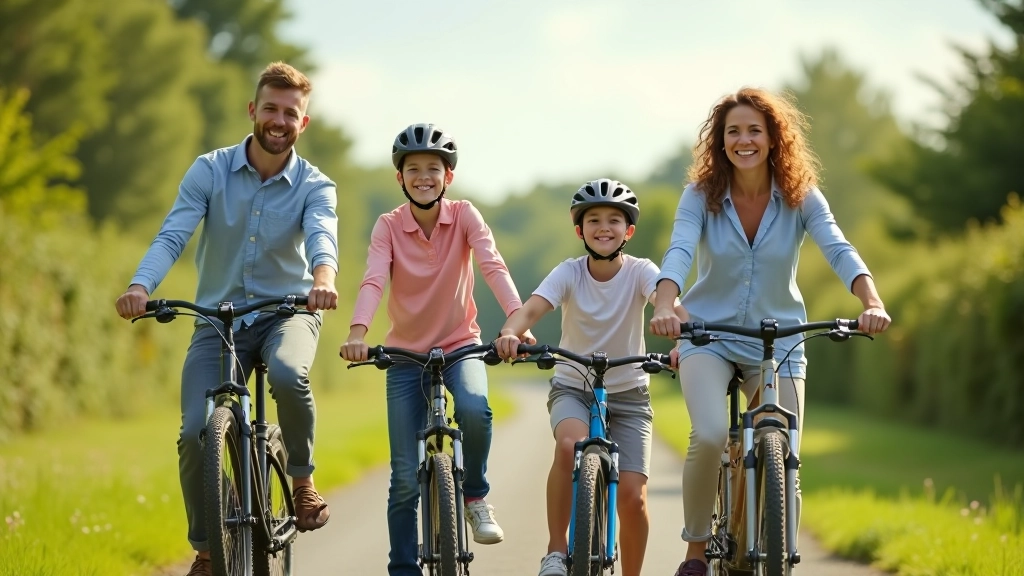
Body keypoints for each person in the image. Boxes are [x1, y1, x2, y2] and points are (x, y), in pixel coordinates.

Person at [647, 87, 892, 576]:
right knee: (712, 433)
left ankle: (777, 547)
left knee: (784, 443)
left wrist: (871, 300)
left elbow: (838, 248)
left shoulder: (801, 196)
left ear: (773, 137)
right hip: (707, 335)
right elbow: (679, 250)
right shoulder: (701, 194)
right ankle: (696, 551)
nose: (744, 140)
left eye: (754, 130)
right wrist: (666, 302)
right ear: (720, 141)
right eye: (733, 131)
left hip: (777, 339)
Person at [114, 61, 337, 576]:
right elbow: (173, 234)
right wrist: (139, 286)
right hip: (218, 319)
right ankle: (209, 548)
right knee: (195, 432)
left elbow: (323, 236)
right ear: (252, 111)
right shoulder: (209, 170)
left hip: (289, 312)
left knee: (287, 372)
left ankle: (301, 481)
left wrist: (323, 280)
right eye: (271, 109)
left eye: (291, 113)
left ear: (303, 123)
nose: (279, 120)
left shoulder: (315, 184)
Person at [339, 123, 534, 576]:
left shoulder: (465, 215)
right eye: (413, 169)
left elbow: (492, 265)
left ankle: (476, 495)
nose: (423, 176)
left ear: (448, 177)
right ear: (400, 177)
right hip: (404, 356)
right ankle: (403, 569)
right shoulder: (388, 225)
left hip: (459, 345)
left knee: (474, 405)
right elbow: (373, 279)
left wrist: (516, 321)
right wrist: (356, 332)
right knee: (405, 478)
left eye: (433, 168)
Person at [495, 178, 679, 576]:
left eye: (614, 220)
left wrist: (686, 339)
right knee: (568, 447)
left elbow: (671, 308)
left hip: (630, 394)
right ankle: (556, 550)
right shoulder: (569, 273)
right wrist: (510, 333)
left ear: (628, 231)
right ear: (580, 230)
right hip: (573, 388)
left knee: (633, 497)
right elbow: (531, 309)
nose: (603, 227)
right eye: (593, 220)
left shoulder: (642, 272)